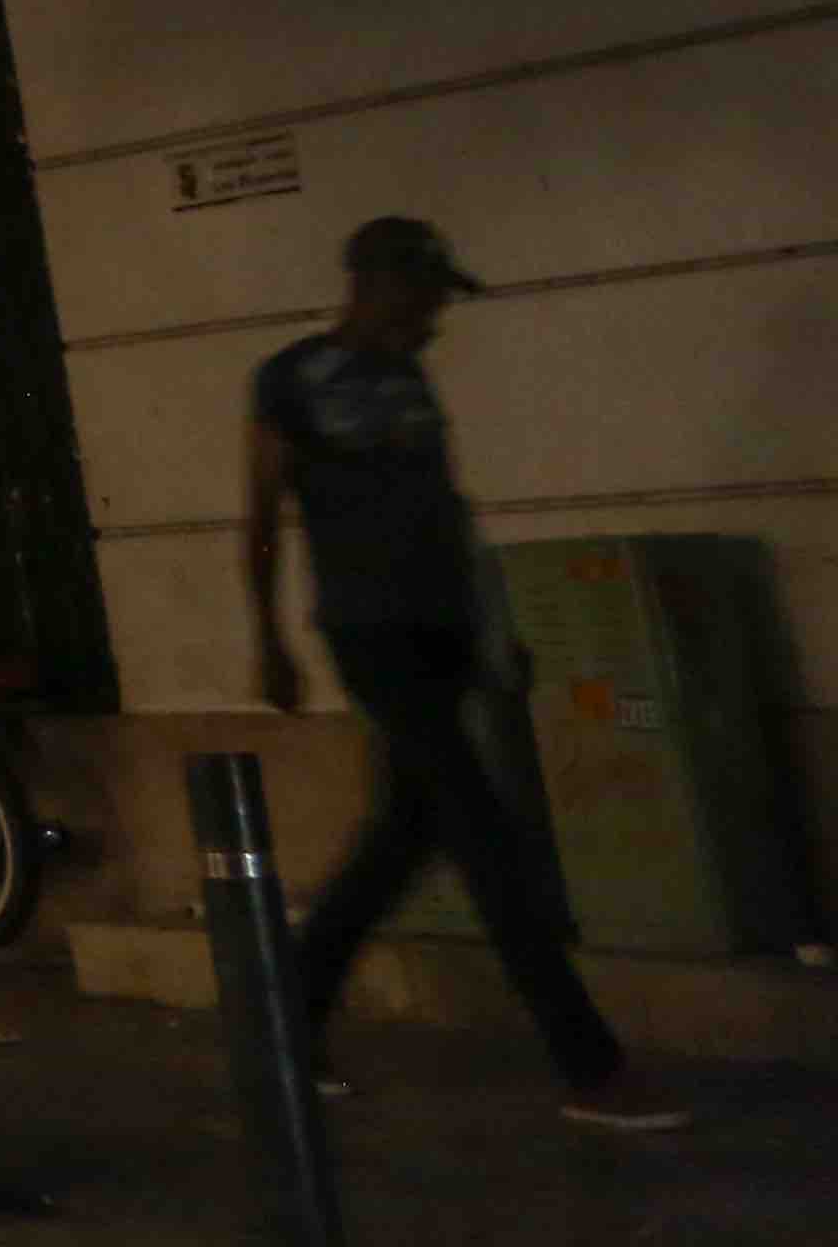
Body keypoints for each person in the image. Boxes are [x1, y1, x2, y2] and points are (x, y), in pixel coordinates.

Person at [245, 215, 681, 1134]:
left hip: (441, 630)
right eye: (430, 293)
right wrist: (269, 641)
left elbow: (448, 512)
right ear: (378, 282)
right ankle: (591, 1069)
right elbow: (260, 514)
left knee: (404, 836)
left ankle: (282, 1024)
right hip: (370, 635)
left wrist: (492, 626)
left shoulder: (408, 378)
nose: (438, 315)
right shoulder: (290, 380)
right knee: (488, 840)